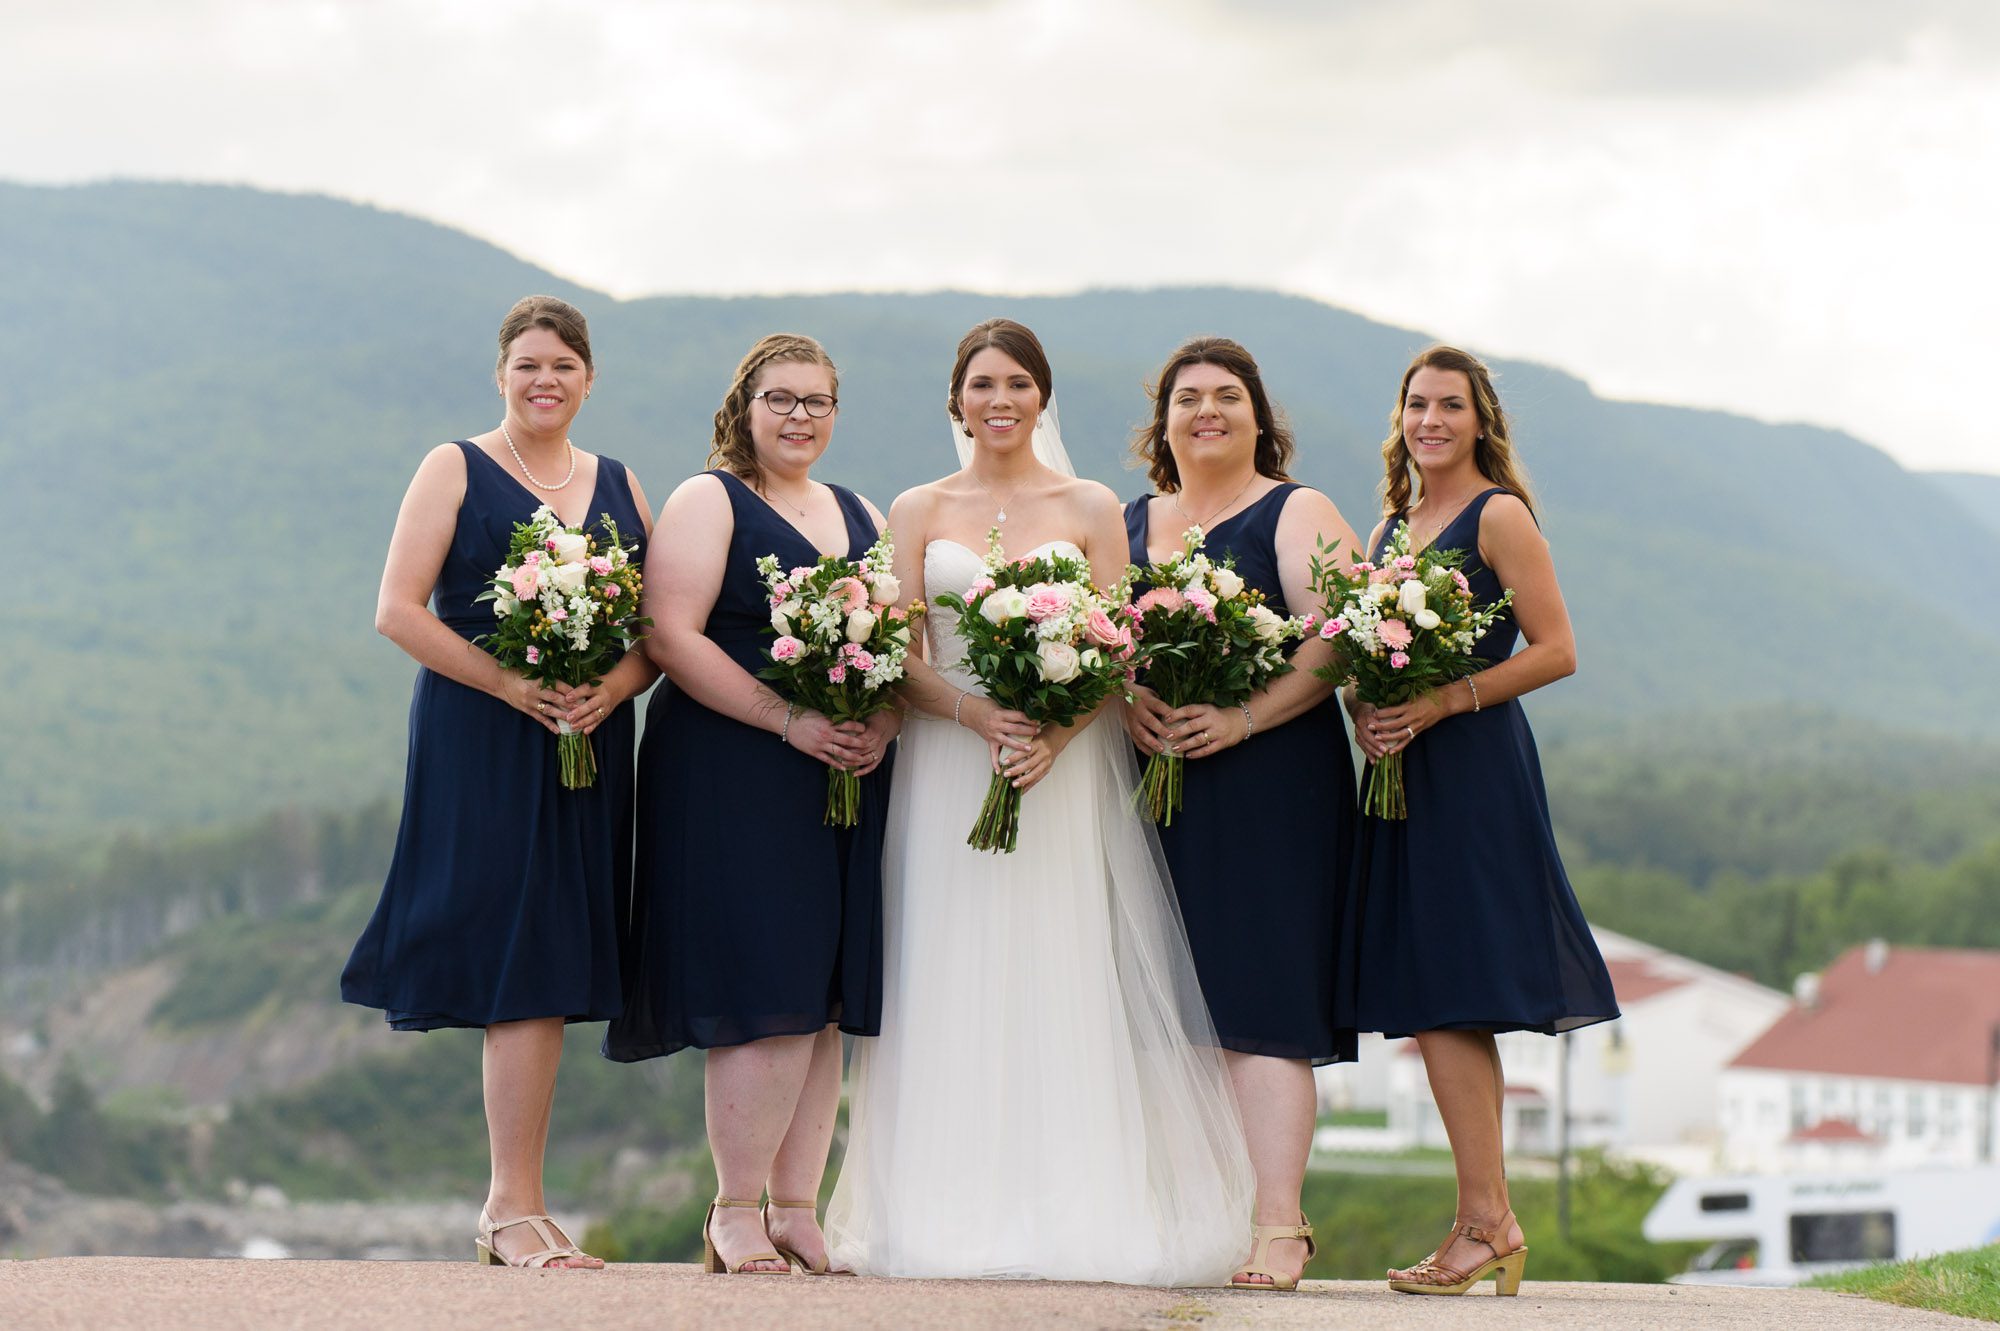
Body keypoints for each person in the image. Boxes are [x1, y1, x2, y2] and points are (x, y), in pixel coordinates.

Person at [825, 318, 1253, 1285]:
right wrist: (979, 717)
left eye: (1018, 382)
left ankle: (1074, 1207)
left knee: (1058, 968)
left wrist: (1052, 735)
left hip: (1059, 776)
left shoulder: (1093, 503)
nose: (1000, 399)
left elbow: (1117, 650)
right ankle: (944, 1209)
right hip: (946, 765)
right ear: (956, 400)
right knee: (946, 967)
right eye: (982, 383)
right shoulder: (916, 507)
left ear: (1042, 397)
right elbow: (898, 654)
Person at [342, 295, 655, 1269]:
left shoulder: (620, 483)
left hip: (587, 740)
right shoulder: (455, 466)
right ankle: (509, 1205)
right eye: (526, 365)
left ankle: (517, 1203)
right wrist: (516, 685)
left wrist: (603, 689)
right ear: (500, 375)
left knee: (555, 956)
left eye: (562, 364)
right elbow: (398, 611)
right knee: (517, 949)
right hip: (481, 732)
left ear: (589, 377)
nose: (544, 379)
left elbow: (656, 627)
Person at [603, 334, 894, 1277]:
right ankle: (732, 1210)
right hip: (733, 771)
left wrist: (879, 724)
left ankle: (796, 1208)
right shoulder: (710, 499)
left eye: (817, 401)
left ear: (836, 413)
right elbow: (673, 635)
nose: (800, 415)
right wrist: (787, 720)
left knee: (821, 999)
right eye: (781, 399)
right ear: (746, 406)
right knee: (762, 993)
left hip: (843, 776)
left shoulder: (861, 511)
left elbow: (895, 643)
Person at [1345, 344, 1619, 1296]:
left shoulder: (1496, 514)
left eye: (1450, 406)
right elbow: (1362, 655)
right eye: (1417, 404)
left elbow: (1558, 649)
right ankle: (1486, 1217)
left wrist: (1444, 701)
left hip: (1472, 773)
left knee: (1448, 995)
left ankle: (1486, 1221)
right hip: (1401, 773)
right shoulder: (1387, 528)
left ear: (1480, 418)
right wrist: (1369, 709)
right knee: (1436, 999)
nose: (1430, 420)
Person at [1121, 337, 1362, 1291]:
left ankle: (1278, 1223)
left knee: (1260, 1005)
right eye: (1189, 398)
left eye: (1228, 396)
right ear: (1163, 420)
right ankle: (1193, 1217)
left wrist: (1245, 714)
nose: (1207, 411)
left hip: (1270, 784)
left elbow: (1337, 640)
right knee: (1169, 1010)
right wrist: (1125, 696)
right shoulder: (1131, 518)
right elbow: (1098, 637)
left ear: (1261, 417)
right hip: (1152, 786)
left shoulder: (1296, 511)